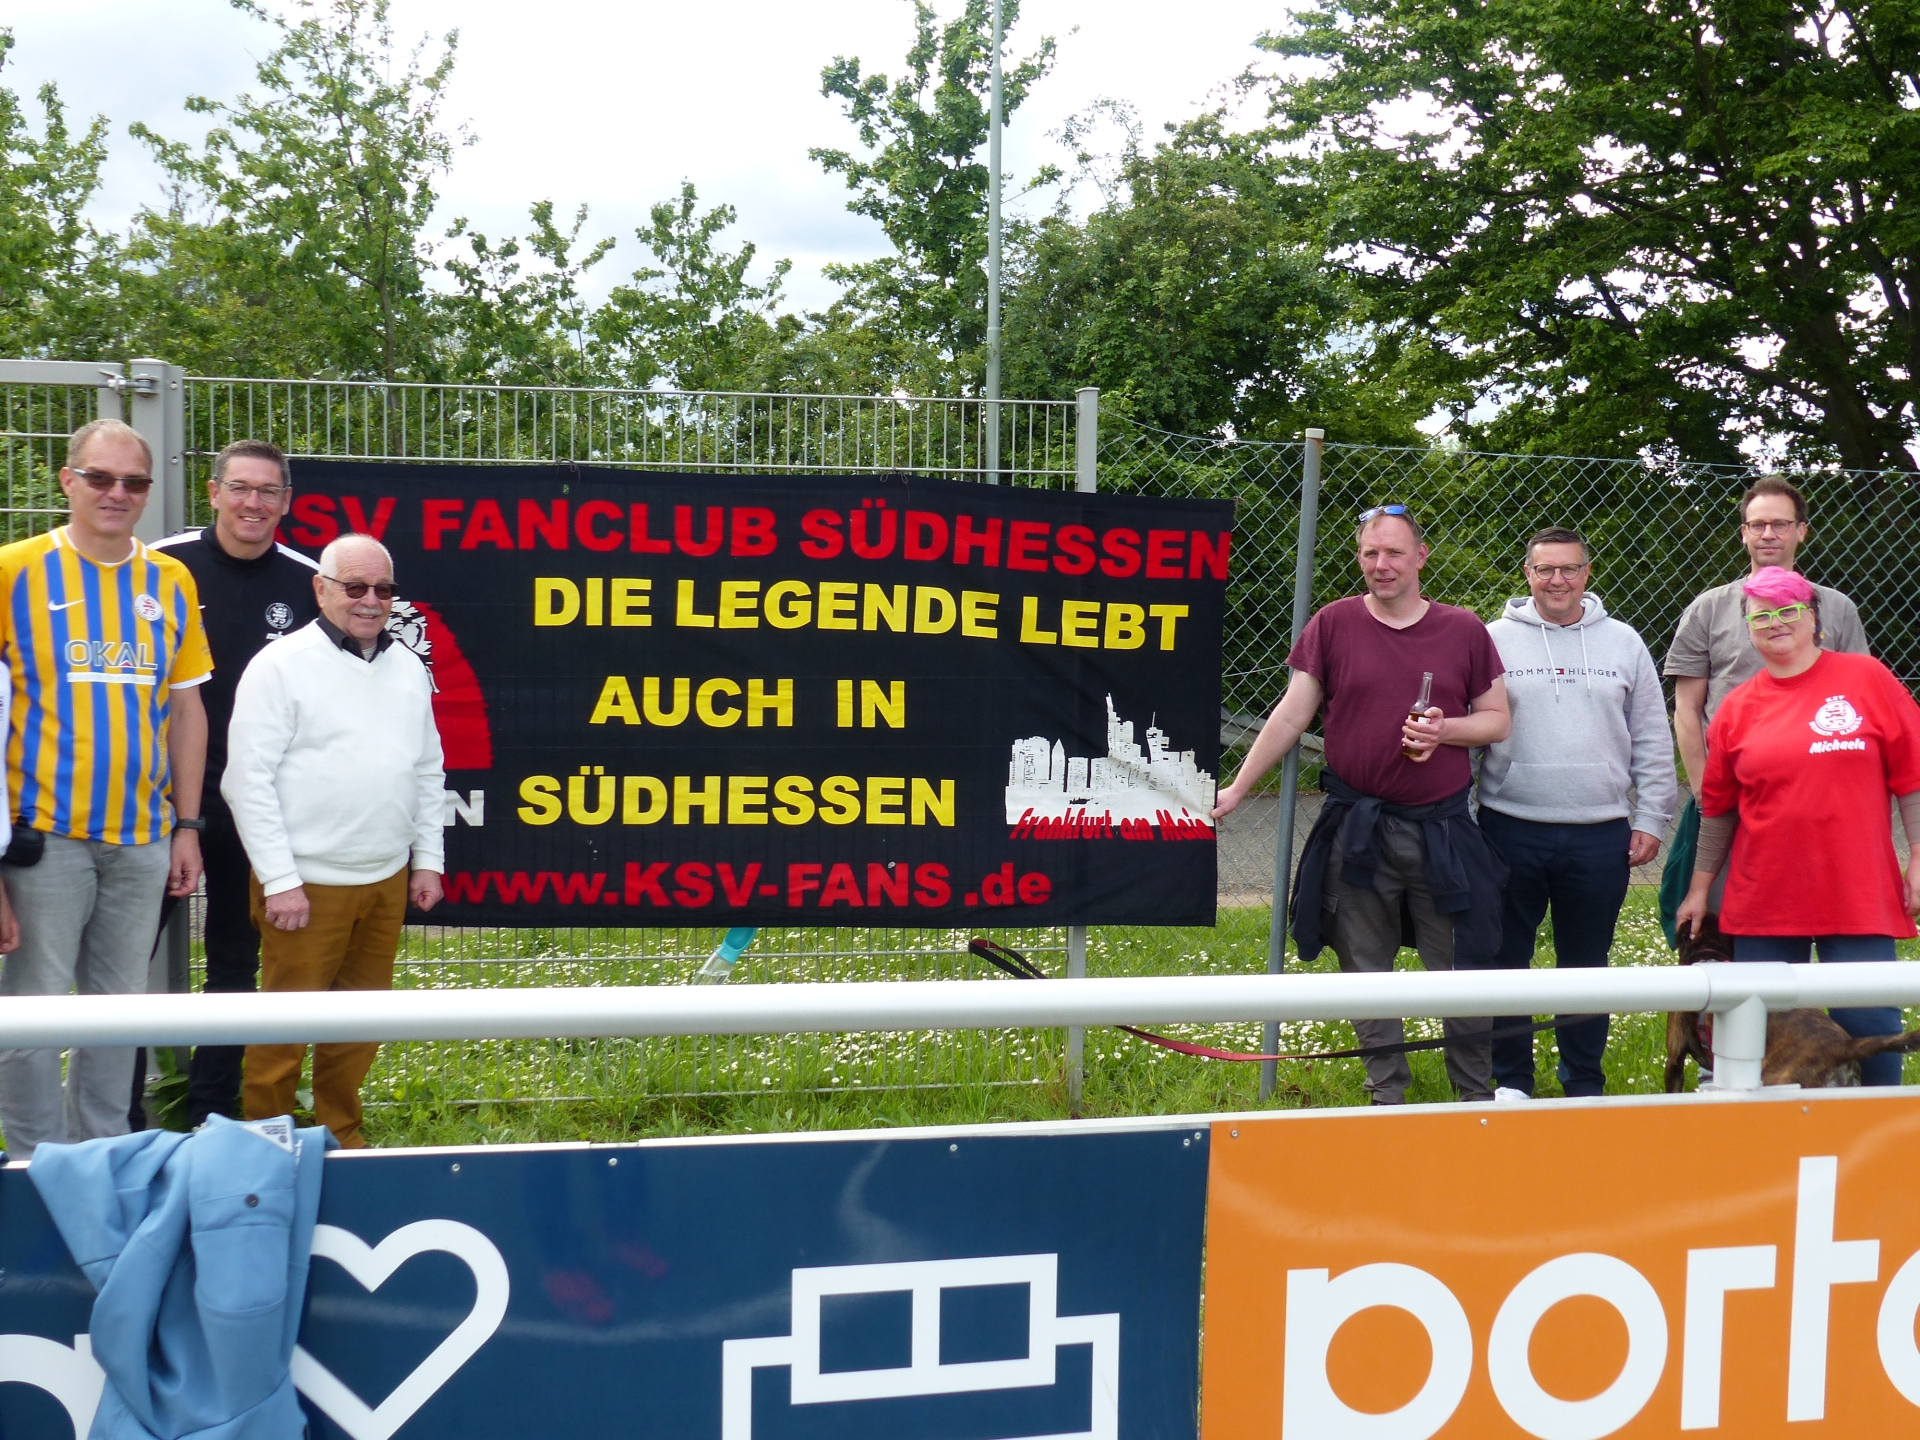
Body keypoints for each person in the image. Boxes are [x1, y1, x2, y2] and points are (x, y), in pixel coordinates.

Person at [1214, 504, 1511, 1105]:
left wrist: (1444, 731)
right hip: (1358, 830)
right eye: (1371, 553)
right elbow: (1292, 714)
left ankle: (1475, 1096)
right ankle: (1386, 1094)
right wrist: (1238, 788)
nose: (1382, 565)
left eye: (1394, 552)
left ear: (1420, 557)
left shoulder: (1463, 629)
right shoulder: (1333, 624)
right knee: (1364, 966)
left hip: (1441, 831)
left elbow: (1497, 720)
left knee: (1462, 966)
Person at [0, 418, 211, 1160]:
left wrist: (187, 826)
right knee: (31, 1015)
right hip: (43, 836)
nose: (117, 493)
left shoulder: (170, 580)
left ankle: (103, 1161)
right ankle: (33, 1167)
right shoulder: (15, 570)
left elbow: (187, 709)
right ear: (68, 481)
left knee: (120, 1016)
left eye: (134, 481)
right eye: (100, 477)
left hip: (143, 838)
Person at [224, 533, 444, 1147]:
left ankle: (343, 1140)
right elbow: (246, 781)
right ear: (320, 589)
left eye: (383, 589)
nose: (370, 600)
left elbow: (428, 769)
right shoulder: (280, 666)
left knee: (358, 1028)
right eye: (355, 587)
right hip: (306, 888)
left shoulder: (408, 667)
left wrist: (427, 860)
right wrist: (280, 880)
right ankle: (264, 1150)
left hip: (385, 880)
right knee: (282, 1034)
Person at [1675, 567, 1920, 1084]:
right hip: (1766, 894)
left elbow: (1912, 778)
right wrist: (1698, 890)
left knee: (1870, 1021)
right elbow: (1719, 809)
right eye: (1761, 616)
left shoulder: (1867, 679)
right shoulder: (1737, 708)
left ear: (1814, 619)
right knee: (1759, 1027)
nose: (1776, 623)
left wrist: (1919, 857)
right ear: (1748, 629)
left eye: (1789, 611)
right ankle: (1770, 1132)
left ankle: (1877, 1129)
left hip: (1855, 887)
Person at [1477, 527, 1678, 1100]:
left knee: (1586, 964)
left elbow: (1651, 736)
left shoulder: (1623, 642)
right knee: (1505, 959)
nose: (1557, 580)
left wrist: (1651, 817)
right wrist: (1465, 819)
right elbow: (1471, 732)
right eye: (1545, 569)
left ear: (1587, 574)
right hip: (1508, 826)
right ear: (1527, 574)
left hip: (1600, 833)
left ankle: (1584, 1082)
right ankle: (1511, 1081)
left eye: (1569, 568)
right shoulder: (1492, 640)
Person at [152, 439, 319, 1127]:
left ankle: (209, 1114)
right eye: (240, 488)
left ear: (286, 502)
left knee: (232, 965)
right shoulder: (161, 566)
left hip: (257, 807)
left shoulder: (310, 583)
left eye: (268, 491)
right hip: (163, 805)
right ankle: (120, 1119)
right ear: (213, 492)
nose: (254, 503)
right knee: (123, 966)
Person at [1662, 477, 1868, 937]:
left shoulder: (1837, 609)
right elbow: (1687, 710)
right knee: (1720, 932)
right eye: (1757, 525)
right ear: (1743, 534)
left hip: (1818, 802)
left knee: (1829, 925)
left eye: (1780, 524)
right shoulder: (1709, 609)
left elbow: (1858, 703)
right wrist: (1707, 793)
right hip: (1732, 797)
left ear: (1802, 531)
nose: (1768, 534)